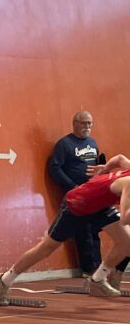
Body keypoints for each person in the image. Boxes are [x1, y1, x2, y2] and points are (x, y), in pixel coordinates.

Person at [0, 155, 130, 304]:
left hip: (100, 206)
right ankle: (5, 280)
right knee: (46, 248)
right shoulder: (128, 185)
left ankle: (98, 279)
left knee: (126, 242)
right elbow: (125, 218)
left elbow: (120, 159)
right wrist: (105, 170)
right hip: (77, 203)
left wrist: (105, 168)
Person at [47, 111, 102, 275]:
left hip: (93, 191)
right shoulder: (64, 144)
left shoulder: (92, 143)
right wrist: (72, 186)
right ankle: (89, 268)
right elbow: (54, 168)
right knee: (83, 230)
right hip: (77, 194)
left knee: (95, 229)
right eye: (84, 123)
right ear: (75, 123)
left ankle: (98, 267)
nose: (87, 127)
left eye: (90, 123)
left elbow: (98, 164)